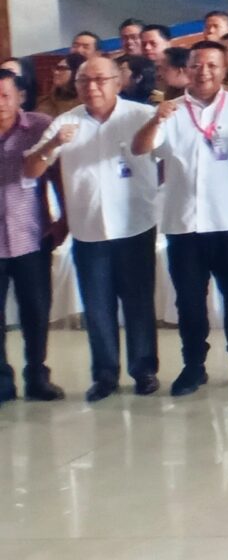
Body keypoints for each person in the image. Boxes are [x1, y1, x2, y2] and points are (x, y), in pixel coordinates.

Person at [23, 58, 160, 400]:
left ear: (118, 82)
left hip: (134, 225)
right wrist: (52, 145)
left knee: (139, 303)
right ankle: (105, 375)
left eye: (100, 79)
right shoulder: (65, 121)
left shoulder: (141, 115)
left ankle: (144, 370)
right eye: (84, 81)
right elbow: (31, 169)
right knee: (97, 307)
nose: (92, 87)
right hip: (88, 230)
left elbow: (165, 157)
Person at [136, 42, 228, 394]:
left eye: (212, 65)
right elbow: (141, 149)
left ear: (224, 69)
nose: (204, 72)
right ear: (186, 70)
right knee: (189, 298)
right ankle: (193, 365)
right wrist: (156, 120)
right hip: (184, 221)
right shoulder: (170, 110)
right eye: (196, 65)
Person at [0, 62, 66, 401]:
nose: (0, 103)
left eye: (4, 96)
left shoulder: (40, 126)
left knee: (36, 311)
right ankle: (2, 380)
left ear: (20, 97)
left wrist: (63, 220)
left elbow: (58, 176)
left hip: (32, 235)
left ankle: (37, 374)